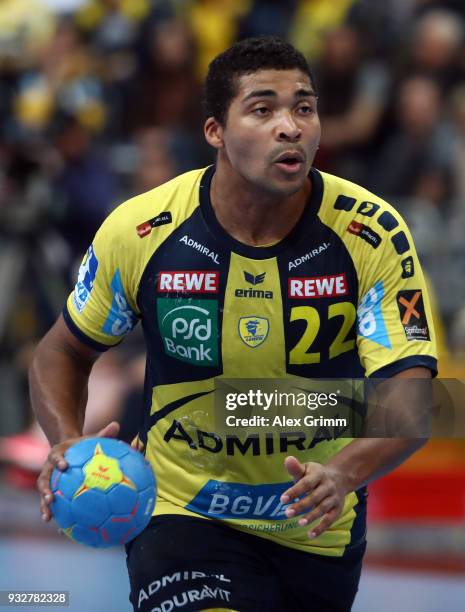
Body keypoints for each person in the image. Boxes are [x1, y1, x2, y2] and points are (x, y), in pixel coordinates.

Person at [31, 36, 437, 612]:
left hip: (315, 527)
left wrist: (343, 473)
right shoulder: (143, 230)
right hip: (180, 511)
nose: (291, 127)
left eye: (304, 106)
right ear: (214, 131)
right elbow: (61, 352)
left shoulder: (370, 233)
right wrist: (67, 441)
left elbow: (413, 402)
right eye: (263, 108)